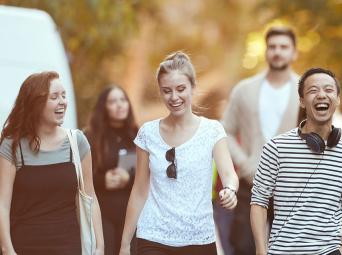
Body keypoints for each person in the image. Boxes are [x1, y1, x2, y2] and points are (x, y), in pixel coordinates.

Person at [119, 51, 239, 255]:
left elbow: (229, 174)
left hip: (199, 238)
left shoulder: (212, 130)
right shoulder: (147, 133)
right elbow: (139, 190)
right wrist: (124, 244)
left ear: (193, 87)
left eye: (181, 89)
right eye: (166, 91)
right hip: (153, 237)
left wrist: (230, 190)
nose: (174, 97)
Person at [250, 67, 342, 255]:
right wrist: (261, 251)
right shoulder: (276, 148)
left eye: (328, 90)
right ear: (302, 101)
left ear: (338, 99)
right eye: (313, 91)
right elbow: (259, 201)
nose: (321, 95)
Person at [0, 71, 104, 255]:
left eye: (64, 95)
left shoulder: (77, 142)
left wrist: (99, 246)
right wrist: (7, 249)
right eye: (54, 97)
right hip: (23, 245)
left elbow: (91, 198)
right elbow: (2, 204)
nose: (62, 101)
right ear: (35, 103)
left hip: (68, 245)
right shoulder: (12, 145)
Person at [222, 26, 300, 255]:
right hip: (250, 186)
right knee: (244, 246)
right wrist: (245, 165)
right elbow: (224, 131)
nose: (277, 52)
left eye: (284, 47)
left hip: (293, 188)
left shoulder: (305, 90)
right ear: (266, 52)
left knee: (290, 249)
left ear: (294, 53)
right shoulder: (244, 90)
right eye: (272, 47)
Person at [85, 85, 139, 255]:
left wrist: (128, 178)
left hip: (131, 214)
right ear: (104, 107)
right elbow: (81, 177)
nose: (119, 105)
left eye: (123, 100)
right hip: (102, 214)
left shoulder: (138, 134)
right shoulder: (90, 136)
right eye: (113, 101)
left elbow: (149, 174)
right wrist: (103, 180)